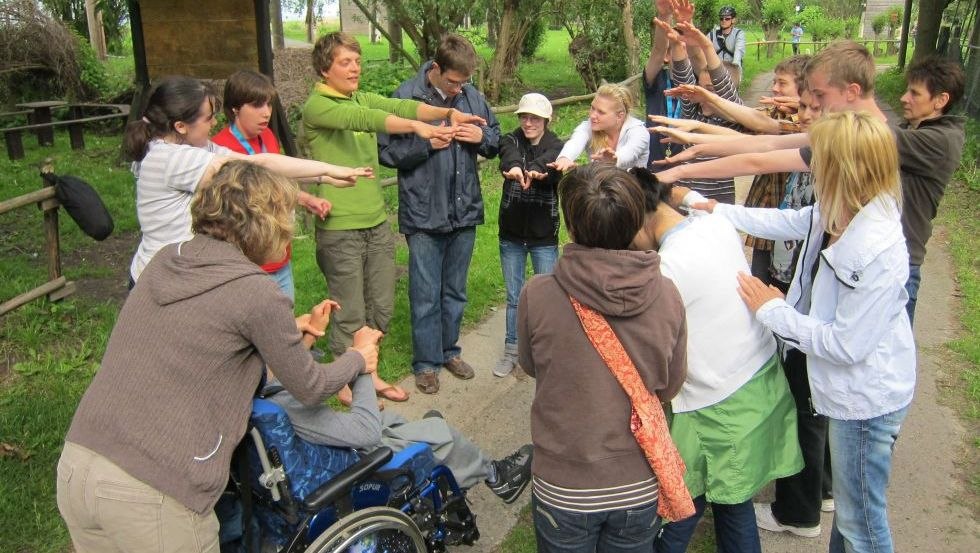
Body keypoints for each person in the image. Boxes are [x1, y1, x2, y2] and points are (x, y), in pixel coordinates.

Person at [56, 161, 384, 553]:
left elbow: (210, 346)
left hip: (79, 465)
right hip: (155, 494)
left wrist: (296, 332)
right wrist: (357, 357)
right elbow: (311, 387)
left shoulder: (166, 260)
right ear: (267, 225)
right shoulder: (257, 291)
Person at [697, 111, 916, 553]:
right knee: (851, 518)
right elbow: (790, 221)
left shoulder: (872, 247)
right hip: (851, 392)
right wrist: (717, 210)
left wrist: (772, 311)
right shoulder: (843, 208)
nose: (810, 164)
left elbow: (845, 345)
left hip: (866, 402)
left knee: (863, 525)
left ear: (843, 168)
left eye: (819, 158)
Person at [302, 32, 486, 402]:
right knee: (349, 310)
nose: (355, 68)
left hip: (375, 222)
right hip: (340, 225)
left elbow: (401, 106)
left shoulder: (359, 97)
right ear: (324, 69)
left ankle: (368, 374)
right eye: (345, 62)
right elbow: (369, 119)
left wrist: (446, 112)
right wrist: (419, 129)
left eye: (357, 61)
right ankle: (343, 381)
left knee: (380, 308)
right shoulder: (318, 106)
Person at [519, 163, 689, 553]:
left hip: (564, 484)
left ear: (570, 226)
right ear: (636, 222)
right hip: (638, 479)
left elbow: (530, 365)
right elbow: (669, 385)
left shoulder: (538, 294)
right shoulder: (667, 294)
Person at [630, 170, 802, 553]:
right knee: (729, 499)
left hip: (716, 404)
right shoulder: (715, 224)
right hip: (758, 379)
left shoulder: (667, 269)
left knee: (685, 503)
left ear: (640, 217)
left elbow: (651, 352)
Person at [263, 298, 533, 503]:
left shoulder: (261, 392)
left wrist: (308, 336)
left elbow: (282, 376)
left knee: (393, 420)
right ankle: (496, 477)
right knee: (444, 436)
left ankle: (429, 439)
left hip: (318, 456)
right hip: (354, 465)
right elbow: (365, 432)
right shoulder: (289, 408)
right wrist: (362, 361)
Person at [123, 75, 370, 285]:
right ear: (180, 126)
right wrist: (329, 171)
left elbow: (264, 163)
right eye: (208, 118)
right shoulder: (170, 158)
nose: (215, 123)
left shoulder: (197, 148)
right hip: (162, 278)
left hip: (180, 271)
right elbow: (257, 166)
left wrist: (326, 175)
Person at [378, 34, 501, 394]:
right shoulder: (406, 97)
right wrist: (425, 145)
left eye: (464, 82)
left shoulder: (471, 96)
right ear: (435, 68)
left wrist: (481, 139)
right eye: (453, 81)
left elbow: (496, 138)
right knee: (426, 293)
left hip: (464, 211)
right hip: (423, 213)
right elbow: (386, 152)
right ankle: (426, 363)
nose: (459, 88)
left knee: (455, 291)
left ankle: (449, 351)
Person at [212, 69, 311, 299]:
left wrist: (305, 199)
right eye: (257, 105)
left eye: (268, 104)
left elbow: (275, 182)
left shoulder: (268, 137)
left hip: (279, 257)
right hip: (245, 264)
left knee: (285, 317)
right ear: (235, 108)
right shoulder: (219, 149)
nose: (266, 112)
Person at [493, 93, 564, 377]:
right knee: (514, 297)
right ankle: (512, 350)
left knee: (546, 296)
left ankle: (544, 352)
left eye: (535, 118)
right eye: (524, 117)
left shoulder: (556, 146)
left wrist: (535, 170)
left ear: (546, 120)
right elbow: (506, 152)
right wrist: (513, 167)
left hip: (543, 237)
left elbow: (551, 161)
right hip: (511, 235)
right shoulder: (511, 140)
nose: (528, 123)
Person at [549, 83, 649, 171]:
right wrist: (564, 158)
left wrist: (615, 159)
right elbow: (575, 142)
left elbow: (630, 152)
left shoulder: (639, 131)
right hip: (601, 184)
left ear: (620, 116)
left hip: (635, 185)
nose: (592, 115)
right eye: (592, 108)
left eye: (601, 112)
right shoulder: (589, 126)